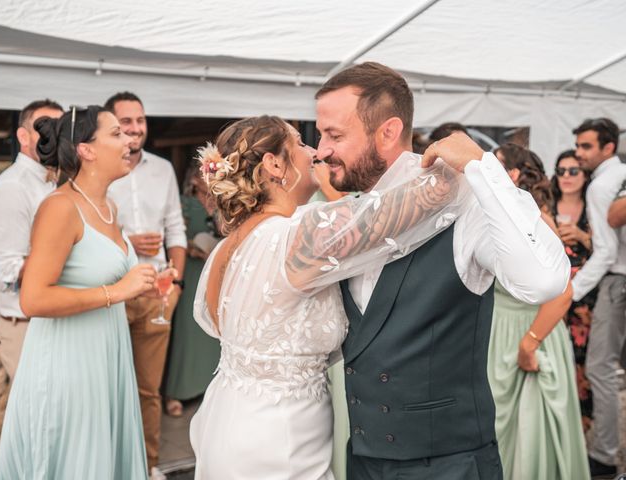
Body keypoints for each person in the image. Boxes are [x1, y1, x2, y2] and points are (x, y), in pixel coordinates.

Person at [190, 114, 488, 478]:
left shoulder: (227, 248)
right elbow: (418, 201)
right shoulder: (295, 238)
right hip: (279, 438)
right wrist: (468, 160)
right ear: (273, 164)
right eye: (300, 143)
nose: (313, 151)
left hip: (225, 416)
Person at [314, 62, 569, 479]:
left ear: (388, 132)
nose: (321, 150)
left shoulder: (463, 198)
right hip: (361, 458)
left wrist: (482, 169)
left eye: (335, 135)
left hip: (447, 465)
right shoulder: (346, 215)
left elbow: (544, 281)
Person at [0, 105, 158, 479]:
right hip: (69, 367)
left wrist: (137, 287)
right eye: (117, 133)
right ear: (86, 150)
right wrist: (116, 291)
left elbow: (99, 277)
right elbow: (33, 299)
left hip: (107, 357)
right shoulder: (59, 208)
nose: (129, 140)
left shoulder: (109, 208)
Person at [487, 143, 590, 479]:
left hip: (531, 330)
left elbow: (564, 292)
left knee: (528, 435)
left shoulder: (535, 220)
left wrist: (528, 344)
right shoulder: (495, 216)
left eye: (495, 166)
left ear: (514, 175)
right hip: (497, 331)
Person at [105, 92, 187, 478]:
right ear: (111, 126)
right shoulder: (99, 171)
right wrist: (128, 241)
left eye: (140, 120)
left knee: (148, 391)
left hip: (157, 293)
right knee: (107, 386)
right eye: (126, 121)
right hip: (110, 294)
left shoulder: (162, 169)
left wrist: (179, 285)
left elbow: (177, 229)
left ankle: (149, 465)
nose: (135, 128)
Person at [0, 99, 63, 379]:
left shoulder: (54, 182)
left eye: (59, 128)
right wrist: (68, 259)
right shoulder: (12, 188)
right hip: (25, 328)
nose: (53, 136)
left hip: (53, 323)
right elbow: (5, 271)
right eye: (45, 128)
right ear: (23, 136)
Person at [569, 118, 626, 478]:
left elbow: (605, 252)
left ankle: (604, 458)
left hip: (616, 283)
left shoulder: (603, 183)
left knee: (600, 370)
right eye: (578, 145)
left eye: (586, 146)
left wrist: (570, 293)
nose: (578, 153)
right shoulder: (618, 177)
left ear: (609, 147)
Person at [162, 164, 220, 416]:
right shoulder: (184, 204)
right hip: (191, 270)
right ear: (195, 180)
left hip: (214, 272)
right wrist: (193, 249)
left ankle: (207, 387)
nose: (211, 179)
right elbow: (172, 235)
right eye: (206, 174)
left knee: (212, 331)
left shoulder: (221, 204)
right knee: (187, 331)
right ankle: (176, 391)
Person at [551, 149, 595, 429]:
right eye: (561, 171)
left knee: (584, 360)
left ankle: (584, 423)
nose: (566, 176)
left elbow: (609, 253)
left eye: (573, 171)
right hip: (554, 294)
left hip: (585, 297)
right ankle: (559, 420)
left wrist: (581, 237)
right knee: (556, 355)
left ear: (584, 175)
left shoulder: (594, 209)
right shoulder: (546, 206)